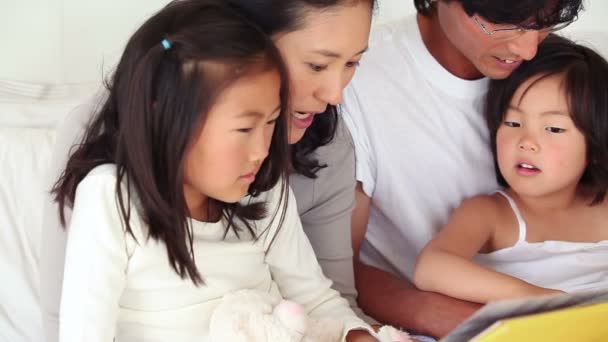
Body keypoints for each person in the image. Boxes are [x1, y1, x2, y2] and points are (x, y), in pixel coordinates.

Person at [40, 0, 378, 340]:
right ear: (168, 118)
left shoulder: (268, 191)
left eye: (272, 122)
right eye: (317, 65)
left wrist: (358, 334)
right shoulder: (110, 198)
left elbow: (319, 300)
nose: (262, 150)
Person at [341, 0, 583, 337]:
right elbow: (337, 271)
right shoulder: (355, 79)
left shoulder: (562, 72)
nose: (527, 49)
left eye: (545, 22)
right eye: (503, 20)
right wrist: (480, 325)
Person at [414, 35, 608, 303]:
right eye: (514, 123)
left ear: (596, 148)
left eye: (553, 129)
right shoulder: (491, 214)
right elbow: (432, 268)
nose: (527, 142)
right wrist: (545, 300)